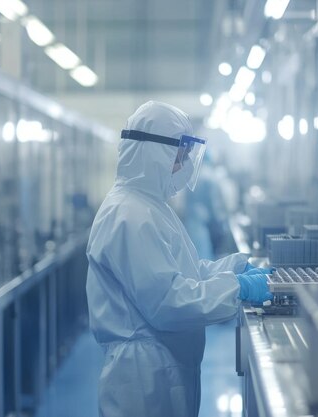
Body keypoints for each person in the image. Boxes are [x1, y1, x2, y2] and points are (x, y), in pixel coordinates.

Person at [86, 101, 273, 417]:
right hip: (143, 380)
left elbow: (184, 272)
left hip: (162, 368)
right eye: (178, 157)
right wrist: (236, 288)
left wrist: (235, 266)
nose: (182, 166)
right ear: (151, 153)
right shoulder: (130, 215)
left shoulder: (149, 206)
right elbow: (168, 302)